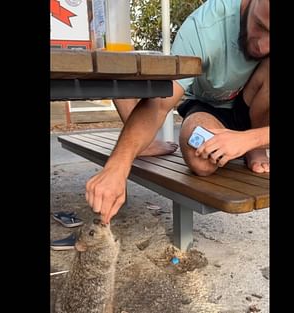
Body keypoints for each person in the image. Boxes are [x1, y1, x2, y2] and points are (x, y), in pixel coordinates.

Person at [86, 0, 270, 224]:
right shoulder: (204, 26)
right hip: (210, 107)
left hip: (255, 106)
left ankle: (257, 148)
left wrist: (251, 139)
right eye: (260, 26)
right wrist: (116, 167)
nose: (262, 46)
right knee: (201, 161)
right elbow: (159, 105)